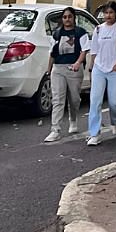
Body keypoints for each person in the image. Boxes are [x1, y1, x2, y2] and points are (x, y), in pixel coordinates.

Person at [45, 8, 89, 143]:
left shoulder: (80, 33)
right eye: (64, 17)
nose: (67, 19)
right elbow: (52, 53)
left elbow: (84, 50)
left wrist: (78, 63)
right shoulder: (57, 34)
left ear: (74, 18)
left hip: (74, 69)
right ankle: (55, 129)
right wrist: (49, 69)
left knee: (74, 98)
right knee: (58, 99)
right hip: (58, 68)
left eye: (70, 17)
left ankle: (73, 119)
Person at [86, 0, 116, 145]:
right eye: (106, 13)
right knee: (95, 101)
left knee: (114, 100)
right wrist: (91, 68)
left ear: (115, 13)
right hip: (99, 68)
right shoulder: (98, 29)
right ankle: (94, 133)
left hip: (115, 69)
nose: (108, 15)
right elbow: (94, 51)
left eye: (111, 12)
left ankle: (115, 121)